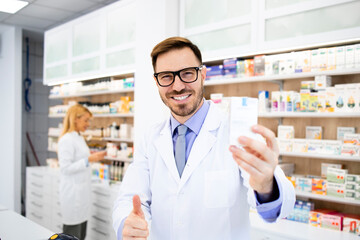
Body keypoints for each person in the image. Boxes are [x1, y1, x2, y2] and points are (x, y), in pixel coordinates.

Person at [112, 37, 296, 240]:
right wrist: (126, 225)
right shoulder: (151, 137)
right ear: (156, 81)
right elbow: (130, 198)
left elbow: (279, 208)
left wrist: (266, 186)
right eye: (166, 77)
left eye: (187, 74)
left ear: (203, 75)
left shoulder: (238, 132)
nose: (178, 86)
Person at [58, 104, 106, 240]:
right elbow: (65, 168)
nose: (88, 124)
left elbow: (81, 160)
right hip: (73, 196)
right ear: (75, 119)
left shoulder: (79, 137)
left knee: (81, 236)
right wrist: (88, 160)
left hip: (82, 195)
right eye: (86, 120)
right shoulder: (66, 139)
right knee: (72, 235)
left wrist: (91, 159)